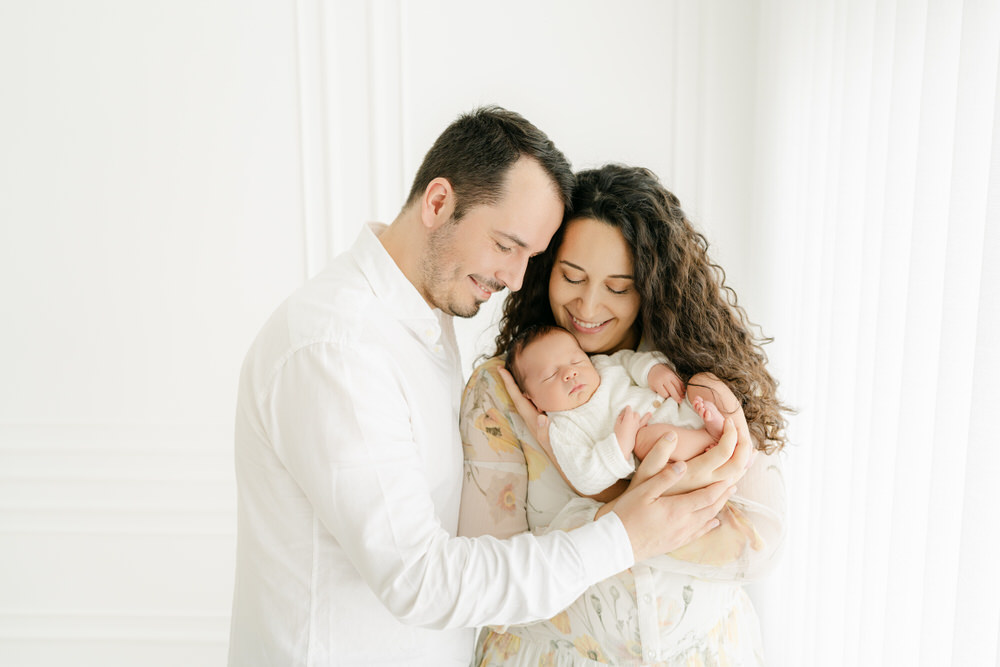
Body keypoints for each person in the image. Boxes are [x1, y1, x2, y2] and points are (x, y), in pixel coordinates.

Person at [227, 108, 743, 667]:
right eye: (506, 245)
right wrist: (622, 535)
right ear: (438, 203)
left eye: (531, 257)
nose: (517, 279)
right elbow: (418, 579)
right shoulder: (337, 349)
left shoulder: (420, 318)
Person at [459, 163, 789, 666]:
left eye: (618, 287)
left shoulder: (700, 371)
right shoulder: (507, 392)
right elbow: (487, 580)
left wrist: (612, 502)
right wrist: (646, 510)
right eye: (572, 277)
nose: (588, 306)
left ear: (652, 286)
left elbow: (760, 546)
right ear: (545, 269)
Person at [505, 323, 734, 495]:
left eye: (576, 361)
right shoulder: (564, 426)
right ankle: (712, 438)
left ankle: (734, 436)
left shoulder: (603, 365)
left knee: (705, 383)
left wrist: (653, 371)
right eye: (551, 375)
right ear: (532, 399)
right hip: (668, 456)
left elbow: (632, 360)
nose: (570, 373)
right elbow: (584, 478)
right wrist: (621, 442)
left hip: (685, 406)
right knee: (646, 438)